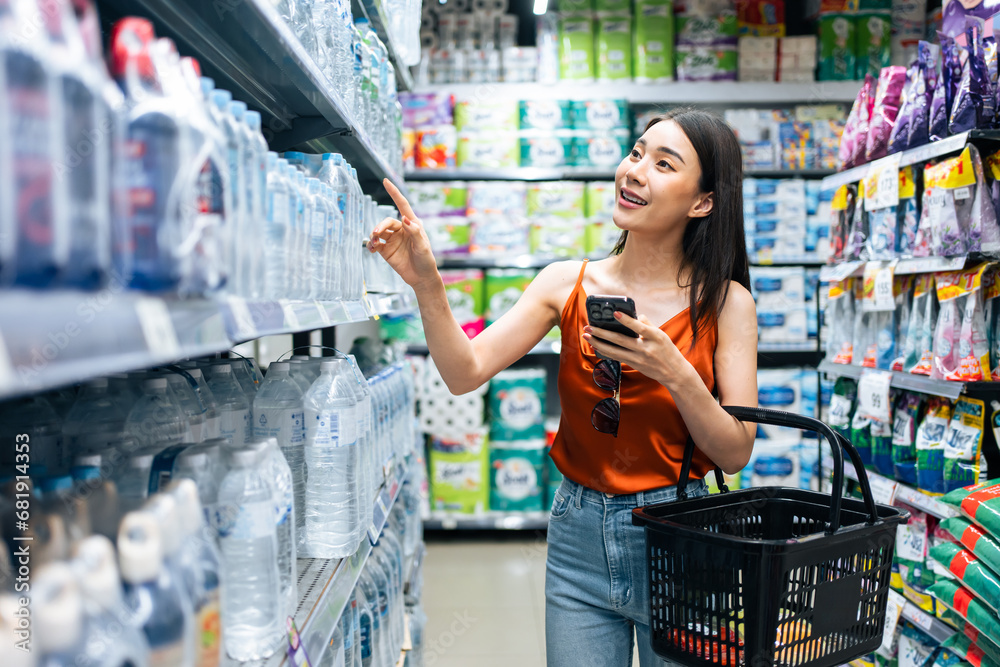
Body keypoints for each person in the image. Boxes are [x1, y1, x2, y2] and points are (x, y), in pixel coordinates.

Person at [369, 107, 758, 666]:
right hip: (578, 535)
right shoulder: (564, 283)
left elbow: (735, 449)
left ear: (703, 202)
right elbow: (464, 372)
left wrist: (675, 372)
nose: (636, 170)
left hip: (680, 538)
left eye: (664, 163)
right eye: (636, 153)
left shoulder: (725, 303)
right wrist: (427, 281)